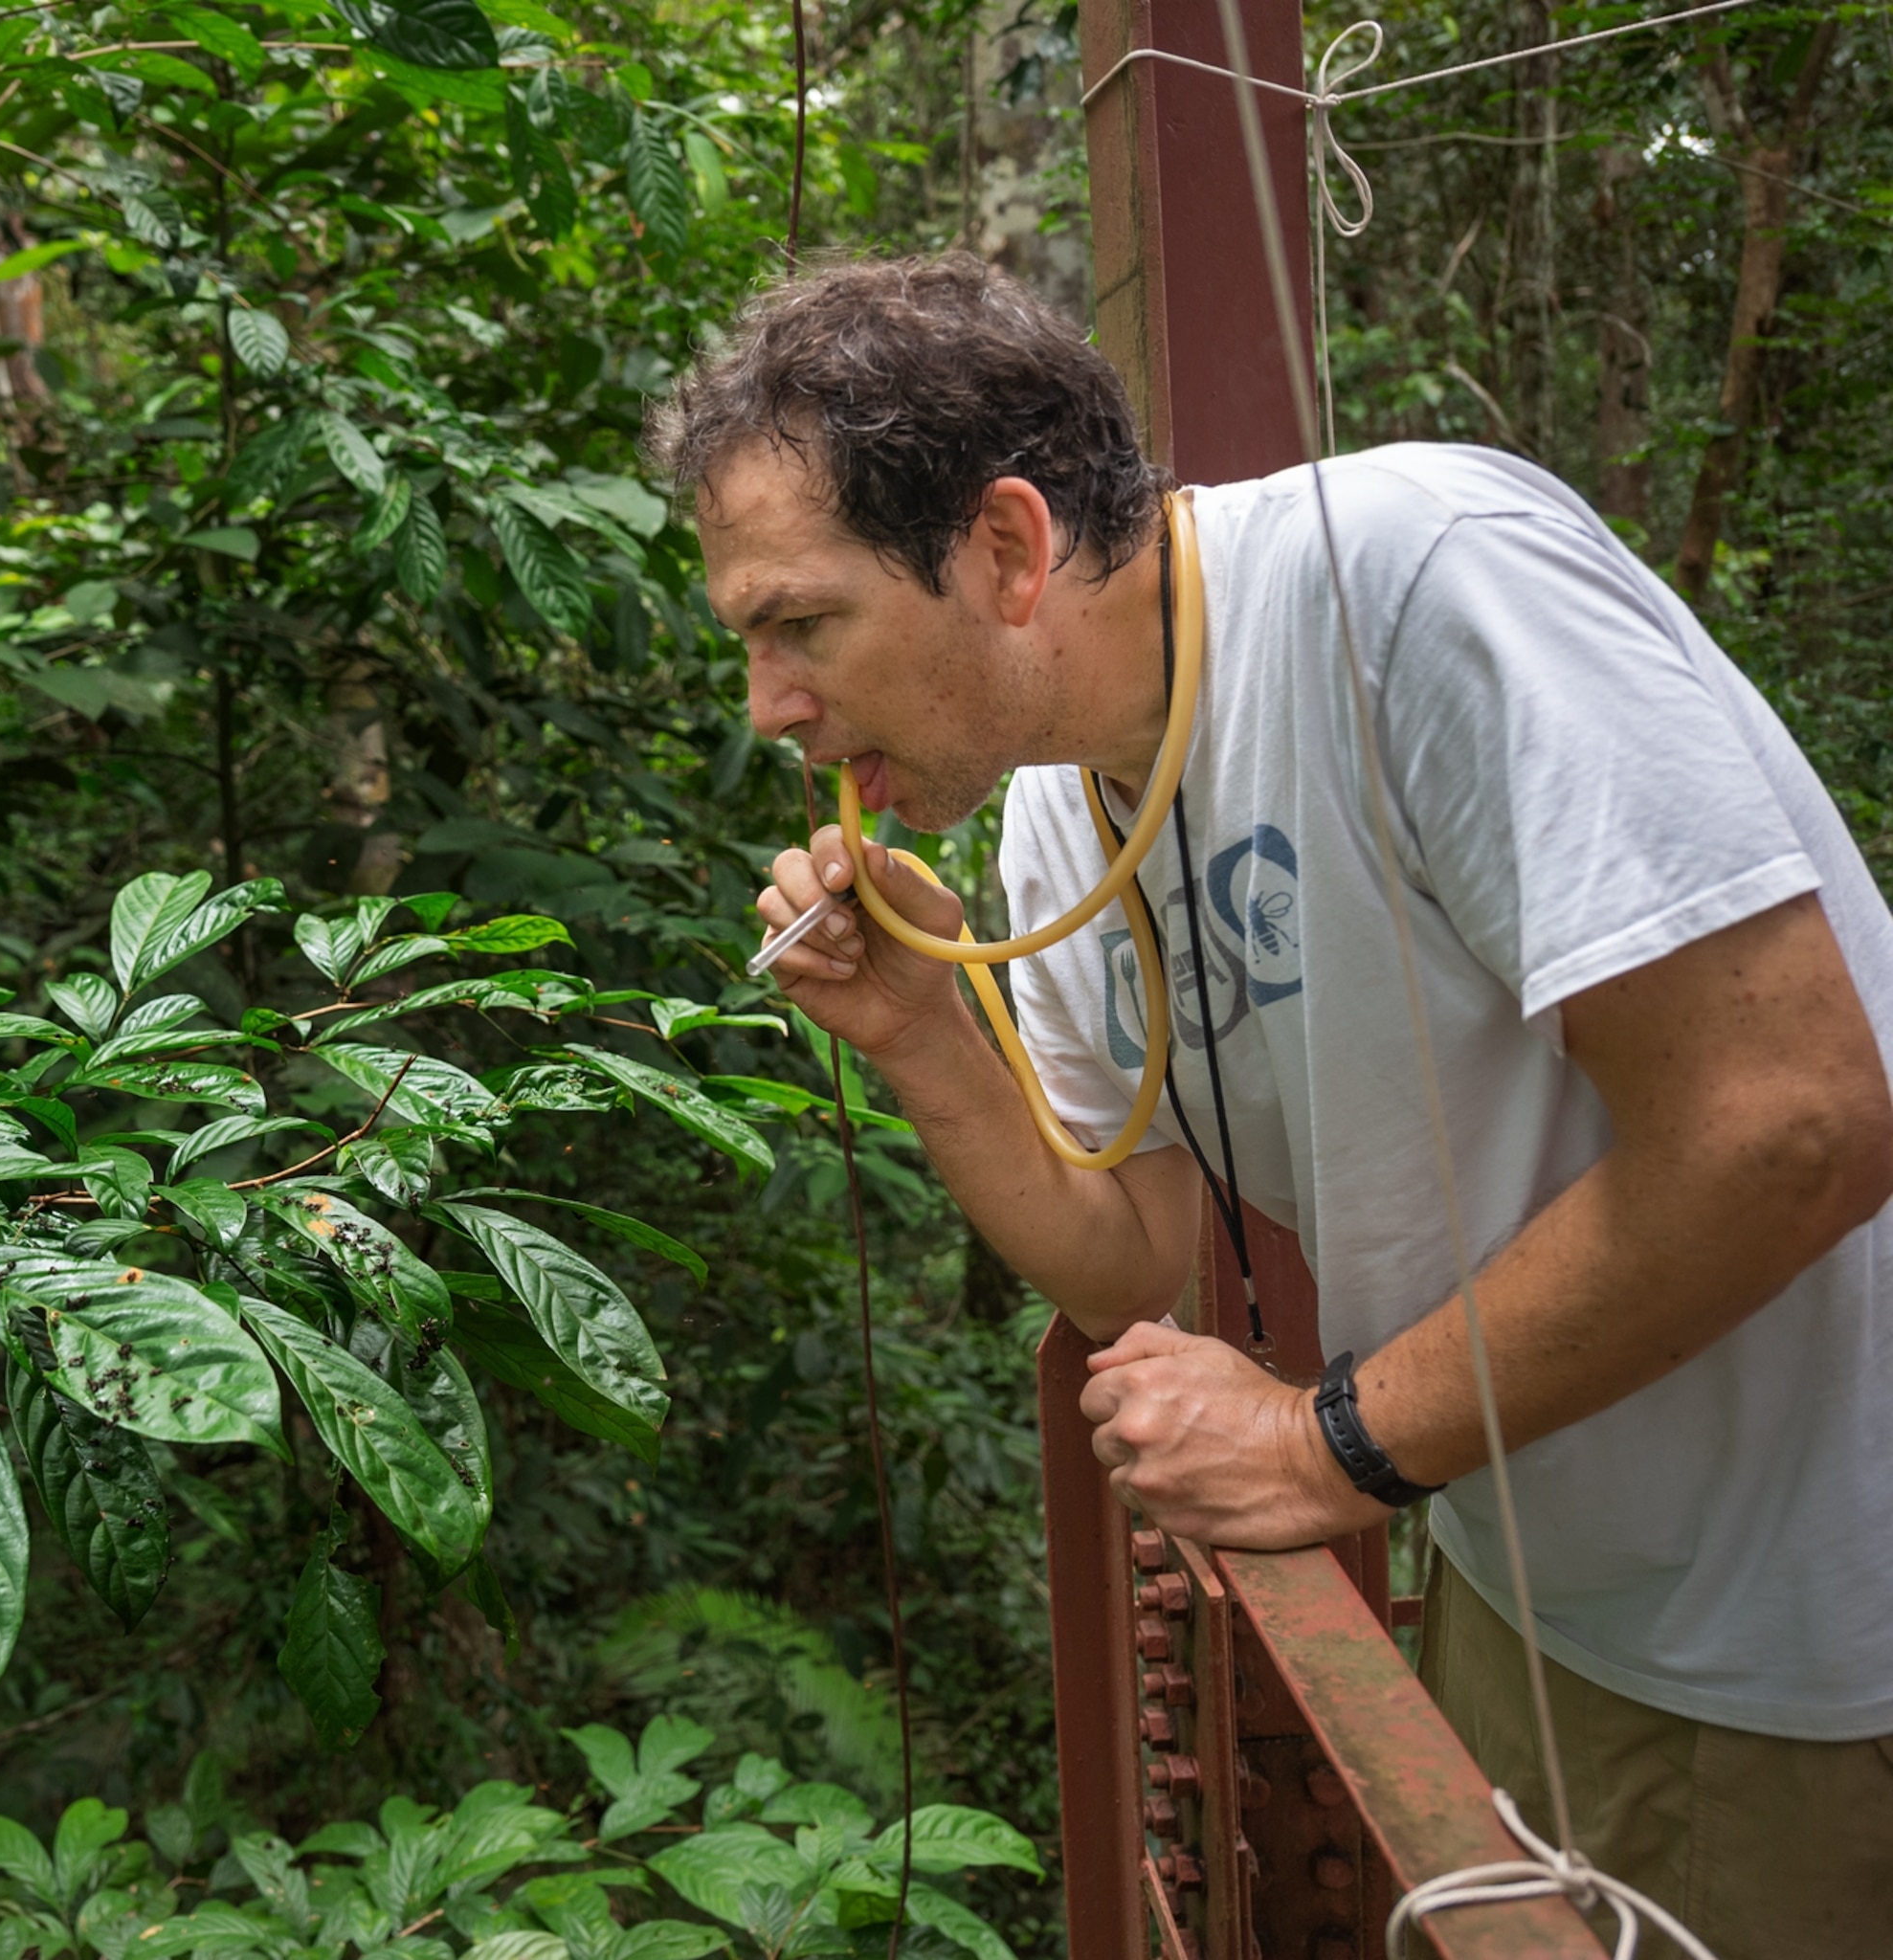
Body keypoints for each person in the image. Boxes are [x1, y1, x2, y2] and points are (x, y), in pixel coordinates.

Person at [649, 253, 1893, 1956]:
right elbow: (1125, 1259)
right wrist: (928, 1041)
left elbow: (1792, 1122)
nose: (771, 707)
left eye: (802, 624)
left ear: (1007, 551)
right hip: (1538, 1594)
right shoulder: (1060, 812)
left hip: (1817, 1622)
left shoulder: (1417, 583)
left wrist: (1333, 1441)